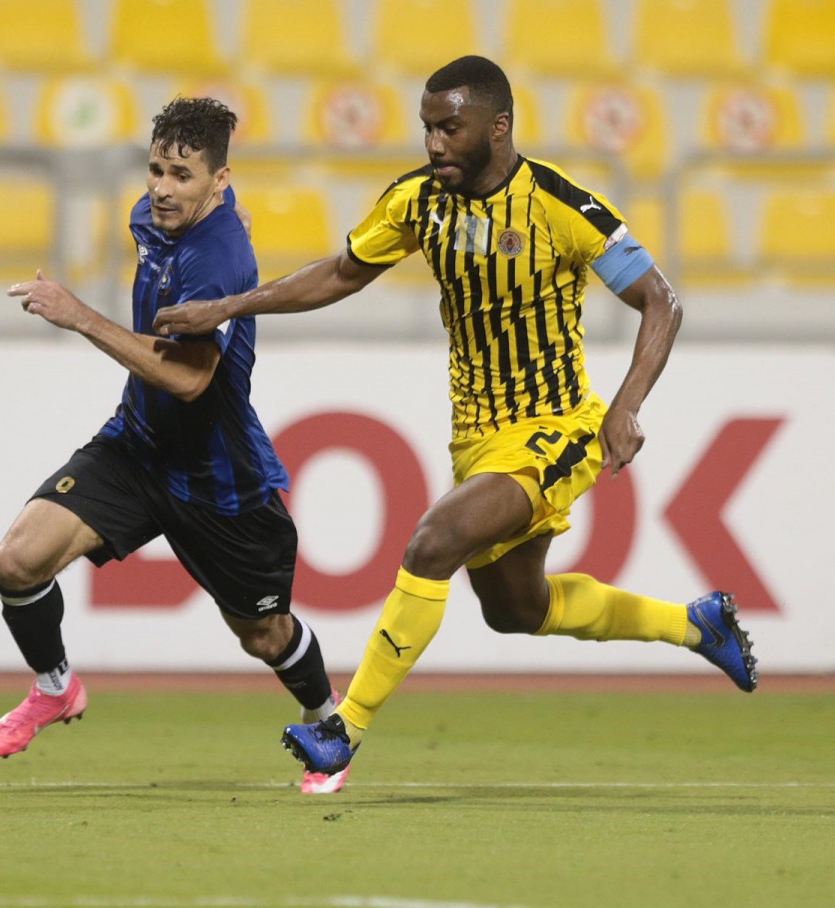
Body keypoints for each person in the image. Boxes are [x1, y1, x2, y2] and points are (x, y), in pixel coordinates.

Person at [151, 57, 758, 777]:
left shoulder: (561, 206)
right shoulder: (417, 202)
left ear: (497, 128)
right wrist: (229, 305)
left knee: (433, 542)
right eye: (427, 128)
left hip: (557, 430)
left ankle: (343, 727)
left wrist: (625, 409)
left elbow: (663, 299)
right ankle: (694, 624)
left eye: (449, 128)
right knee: (516, 609)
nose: (434, 143)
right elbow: (342, 272)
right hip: (476, 438)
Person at [0, 97, 349, 794]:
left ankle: (328, 727)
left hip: (219, 479)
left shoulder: (221, 260)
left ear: (220, 180)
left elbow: (188, 378)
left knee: (264, 637)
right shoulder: (149, 221)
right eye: (155, 169)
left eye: (182, 175)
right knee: (18, 559)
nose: (161, 188)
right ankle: (55, 688)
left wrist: (78, 314)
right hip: (138, 447)